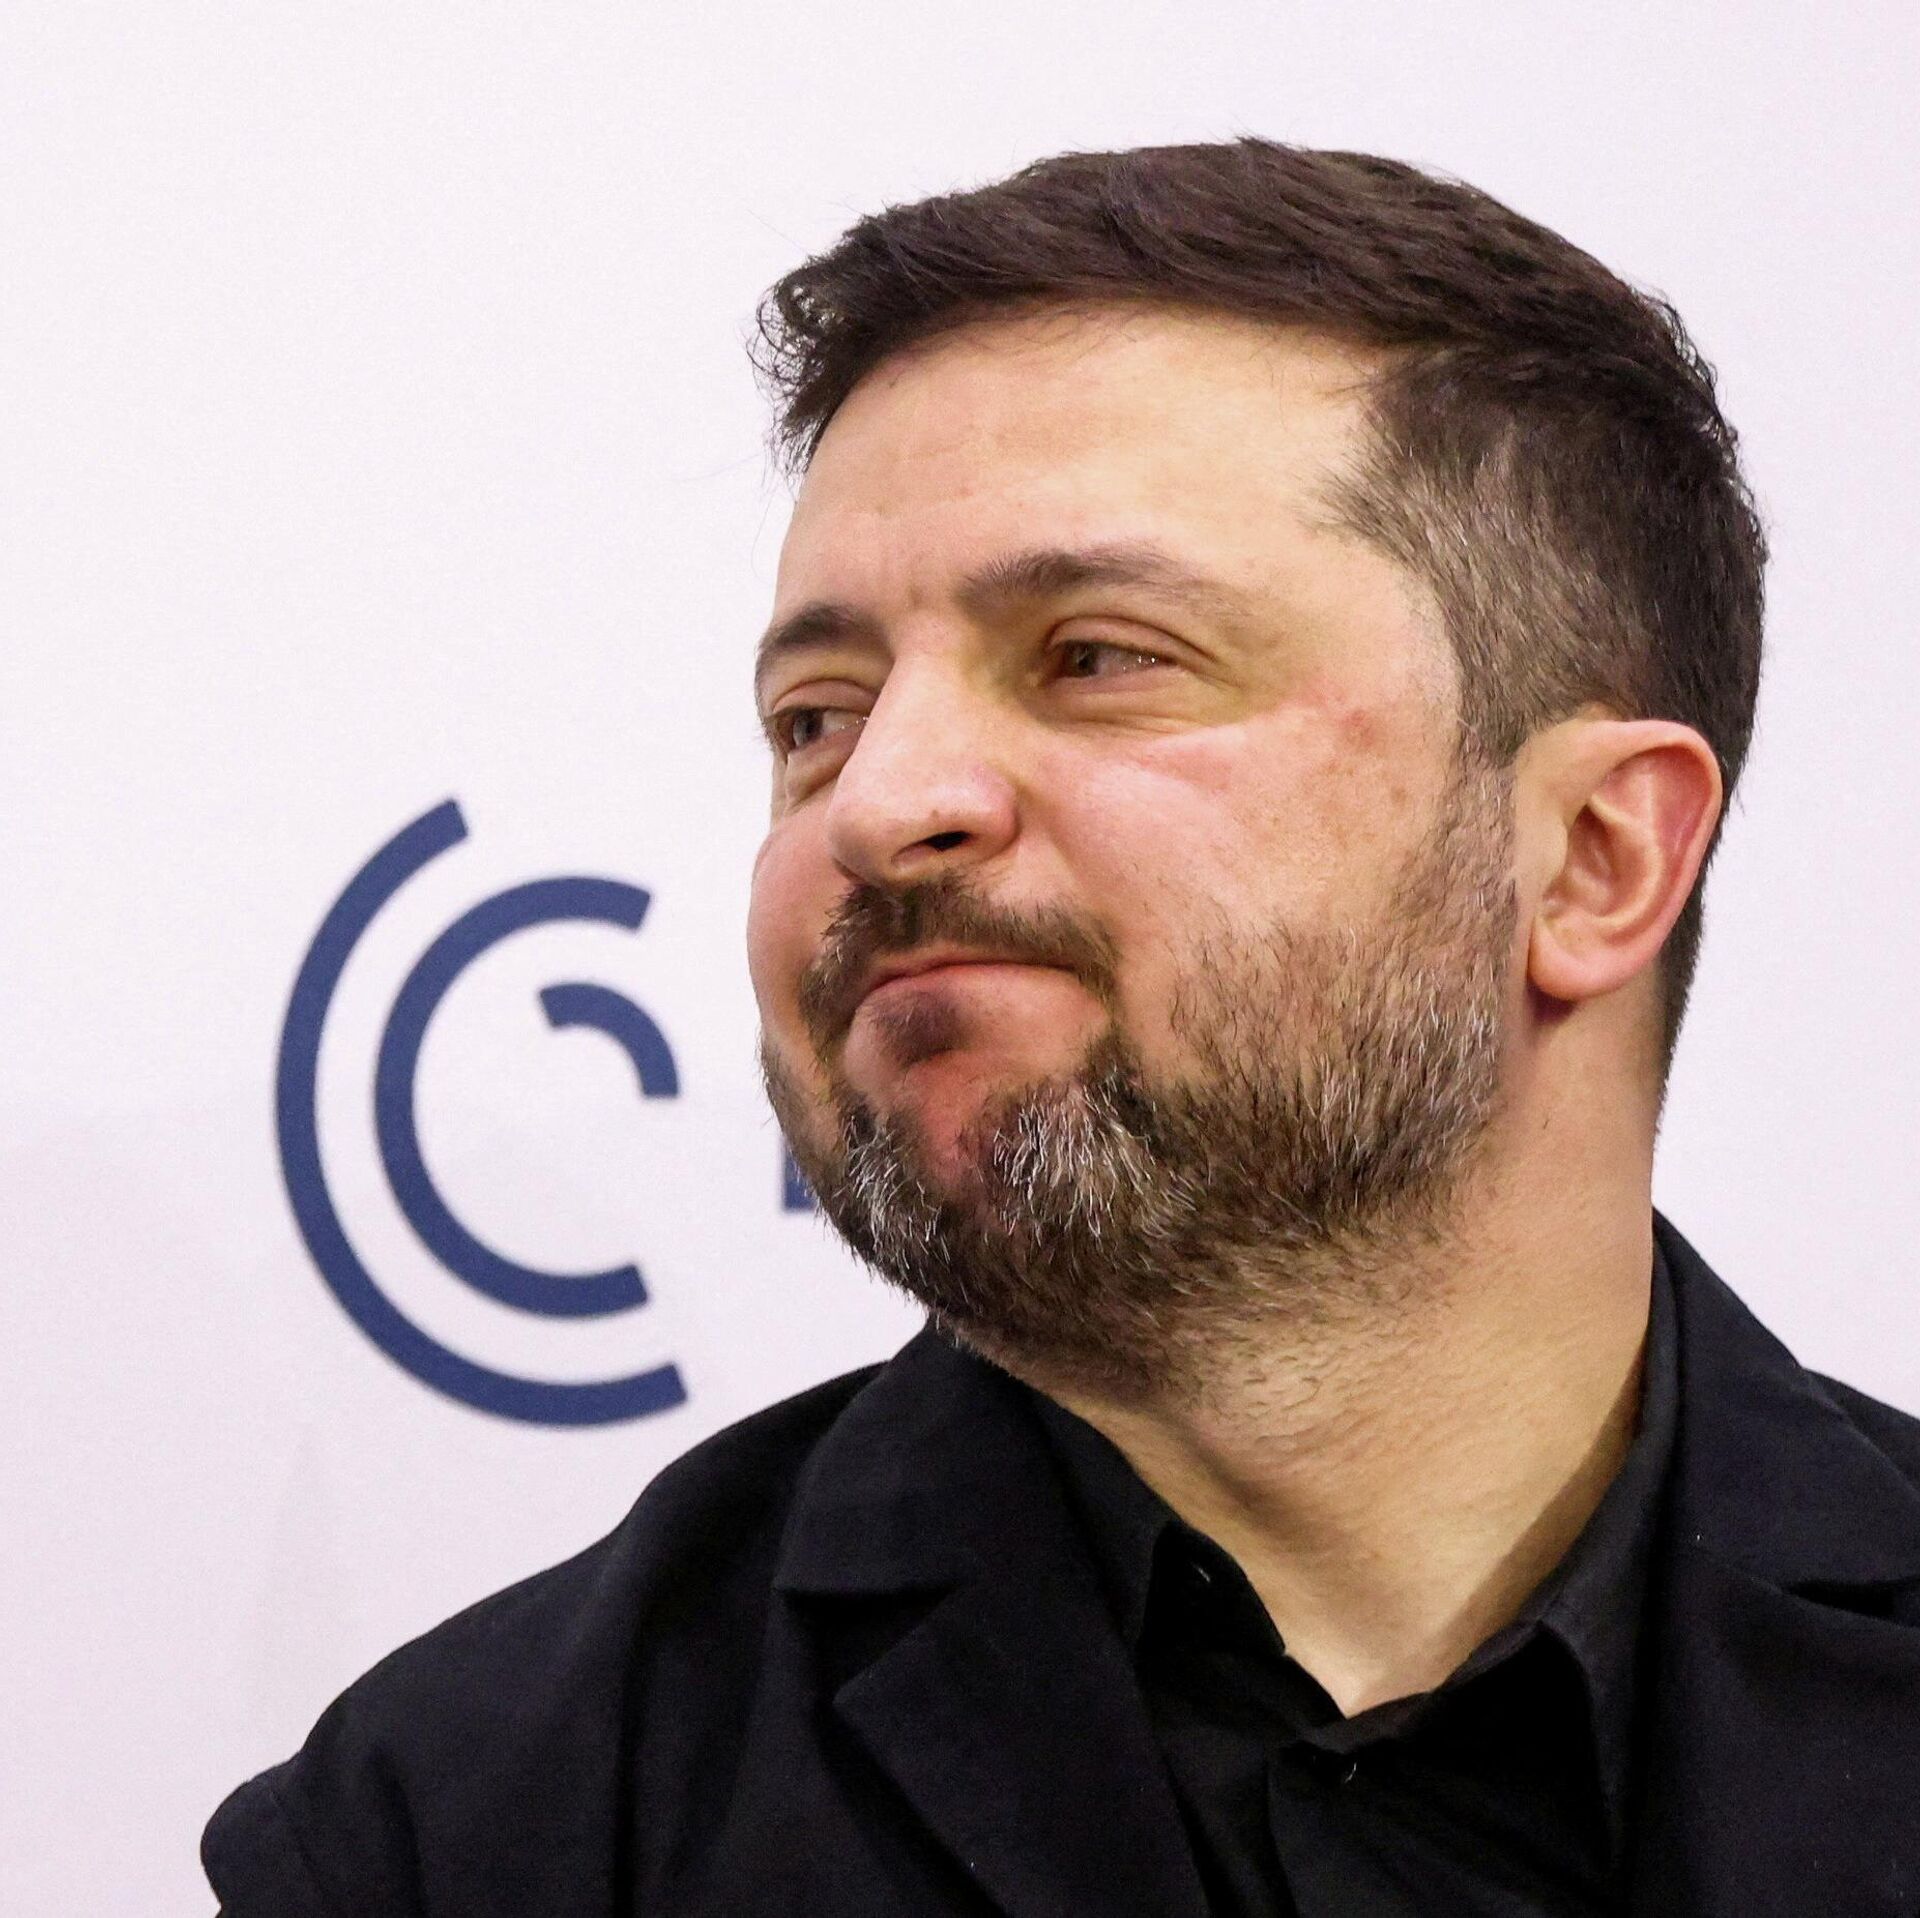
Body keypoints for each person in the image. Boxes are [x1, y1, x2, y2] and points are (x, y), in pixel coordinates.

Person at [203, 140, 1920, 1917]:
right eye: (818, 715)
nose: (882, 803)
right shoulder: (475, 1831)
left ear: (1593, 856)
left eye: (1098, 657)